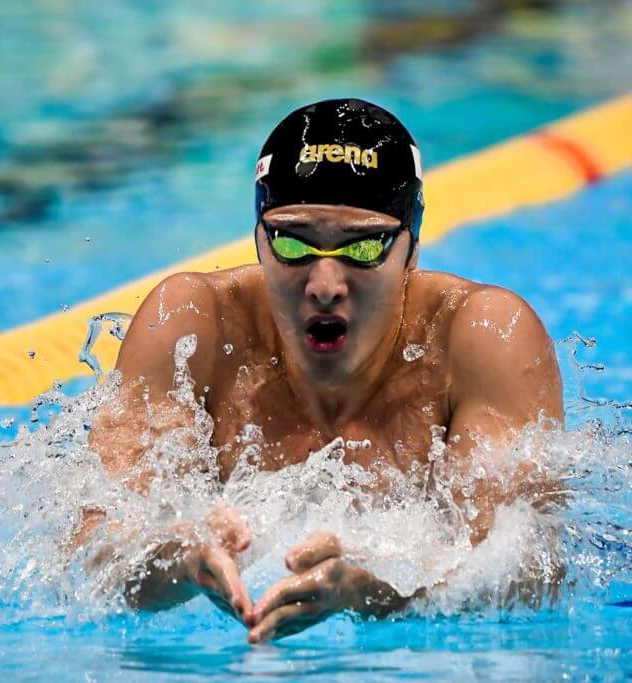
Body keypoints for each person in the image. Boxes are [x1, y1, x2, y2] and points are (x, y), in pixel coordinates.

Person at [83, 98, 564, 643]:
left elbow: (529, 577)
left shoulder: (480, 339)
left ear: (412, 244)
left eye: (361, 247)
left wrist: (379, 595)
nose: (325, 284)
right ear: (258, 235)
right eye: (292, 243)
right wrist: (179, 560)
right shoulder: (193, 331)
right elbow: (96, 550)